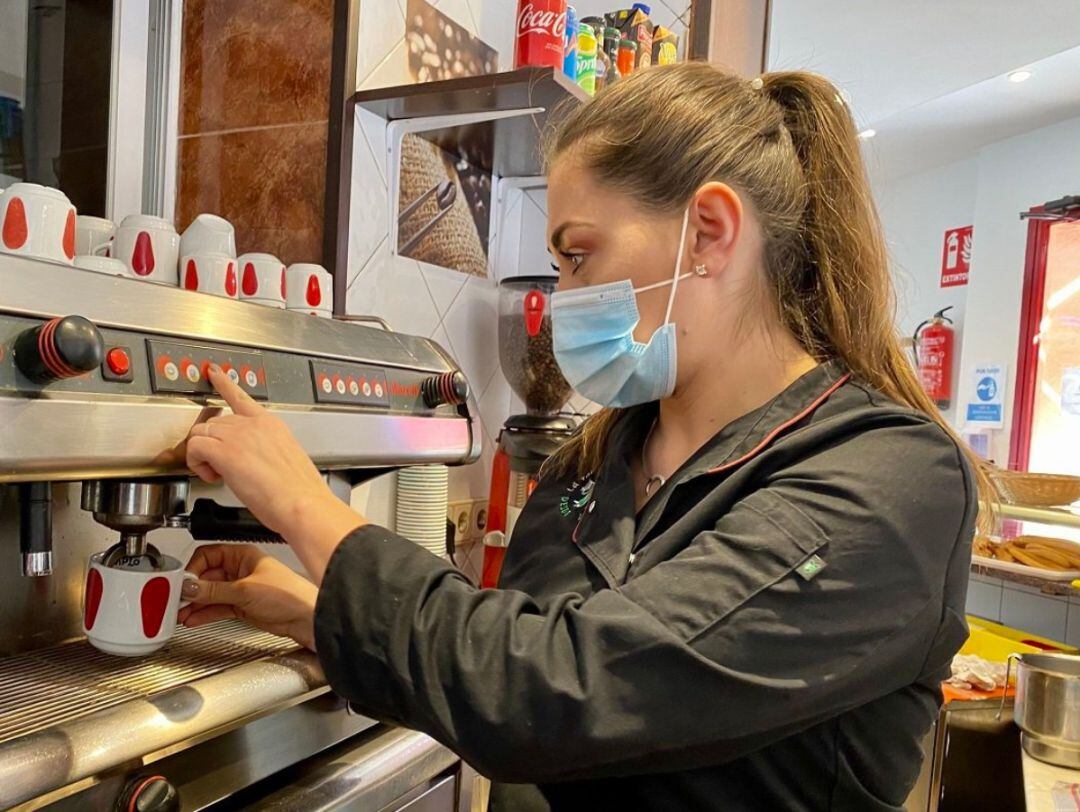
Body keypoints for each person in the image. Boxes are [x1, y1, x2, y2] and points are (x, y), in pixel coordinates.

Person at [178, 63, 988, 811]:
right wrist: (327, 615)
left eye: (577, 256)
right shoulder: (594, 464)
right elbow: (504, 653)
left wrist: (305, 509)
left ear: (708, 232)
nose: (561, 298)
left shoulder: (886, 478)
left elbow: (564, 691)